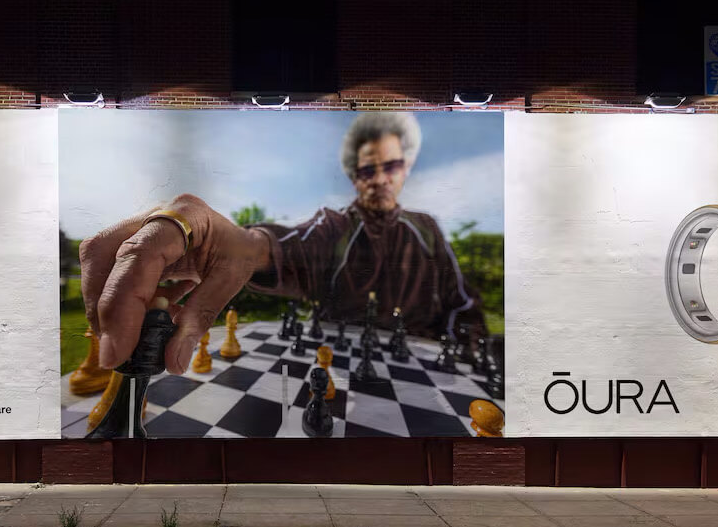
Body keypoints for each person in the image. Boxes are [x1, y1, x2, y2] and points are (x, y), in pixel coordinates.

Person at [80, 112, 483, 375]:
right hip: (339, 374)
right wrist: (239, 245)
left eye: (391, 166)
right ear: (353, 175)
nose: (379, 178)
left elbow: (463, 306)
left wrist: (468, 360)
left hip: (425, 371)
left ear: (406, 168)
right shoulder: (333, 228)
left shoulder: (426, 229)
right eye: (366, 169)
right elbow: (276, 248)